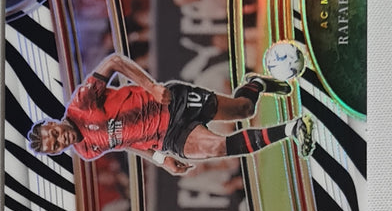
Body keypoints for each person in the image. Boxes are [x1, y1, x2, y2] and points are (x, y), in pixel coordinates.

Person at [28, 53, 315, 176]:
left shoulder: (82, 103)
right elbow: (126, 143)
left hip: (171, 103)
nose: (61, 139)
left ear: (52, 123)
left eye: (54, 134)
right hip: (168, 138)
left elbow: (114, 61)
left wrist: (151, 86)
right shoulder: (86, 151)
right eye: (56, 146)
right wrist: (160, 159)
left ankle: (257, 84)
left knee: (244, 109)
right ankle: (292, 129)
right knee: (216, 148)